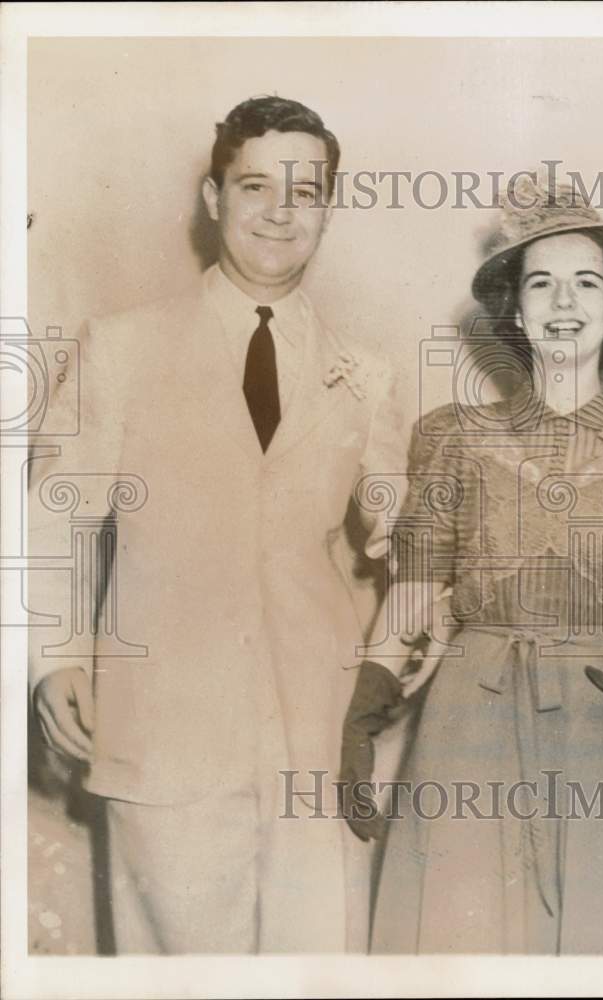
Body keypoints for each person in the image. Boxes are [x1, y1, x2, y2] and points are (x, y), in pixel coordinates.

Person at [28, 96, 405, 954]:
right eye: (255, 186)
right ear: (212, 198)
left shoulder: (368, 375)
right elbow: (53, 522)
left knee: (315, 971)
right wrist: (53, 660)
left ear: (327, 208)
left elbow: (410, 542)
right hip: (162, 729)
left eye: (305, 191)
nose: (280, 210)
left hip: (316, 734)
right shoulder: (119, 348)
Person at [340, 178, 603, 953]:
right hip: (466, 719)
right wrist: (366, 702)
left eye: (586, 281)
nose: (563, 301)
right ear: (514, 310)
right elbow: (413, 591)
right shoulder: (453, 436)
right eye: (540, 283)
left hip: (599, 712)